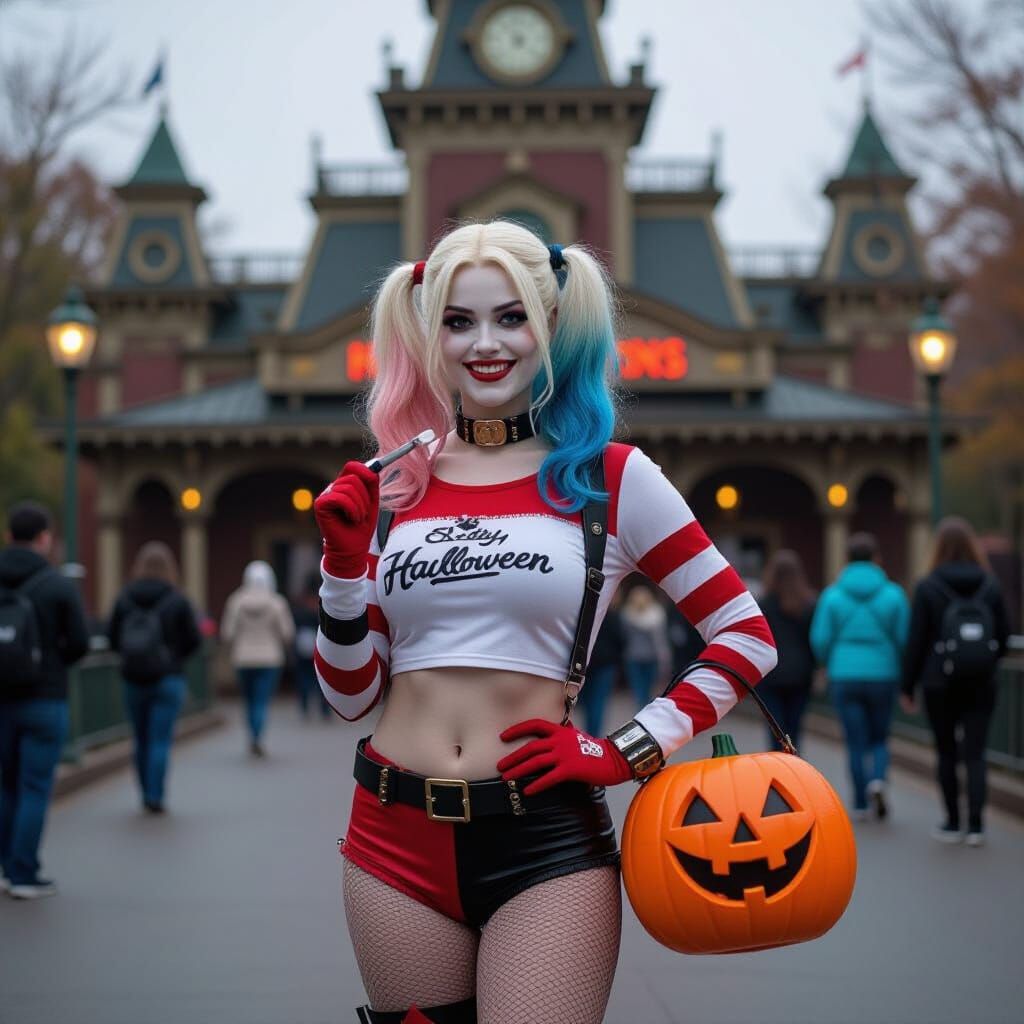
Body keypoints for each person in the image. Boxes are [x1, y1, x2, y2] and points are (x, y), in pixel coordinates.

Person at [312, 221, 777, 1024]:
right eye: (458, 321)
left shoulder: (612, 478)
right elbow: (350, 698)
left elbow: (745, 633)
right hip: (390, 838)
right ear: (429, 334)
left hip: (546, 847)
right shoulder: (398, 487)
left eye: (511, 317)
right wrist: (343, 570)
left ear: (552, 327)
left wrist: (625, 750)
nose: (484, 343)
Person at [900, 517, 1010, 846]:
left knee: (946, 751)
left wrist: (908, 686)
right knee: (976, 753)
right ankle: (976, 825)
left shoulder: (928, 586)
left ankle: (952, 821)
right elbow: (1003, 635)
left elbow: (916, 640)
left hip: (938, 682)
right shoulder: (990, 585)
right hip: (981, 680)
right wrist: (984, 661)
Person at [0, 502, 89, 899]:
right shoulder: (56, 585)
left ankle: (5, 869)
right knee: (34, 787)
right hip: (44, 697)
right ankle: (23, 873)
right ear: (45, 538)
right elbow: (80, 644)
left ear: (8, 537)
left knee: (5, 786)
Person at [811, 533, 909, 821]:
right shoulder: (893, 594)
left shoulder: (833, 595)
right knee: (879, 737)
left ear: (848, 559)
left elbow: (820, 638)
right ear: (876, 558)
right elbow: (904, 638)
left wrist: (827, 662)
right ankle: (878, 779)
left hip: (844, 674)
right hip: (883, 673)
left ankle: (859, 801)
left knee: (854, 741)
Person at [107, 542, 201, 813]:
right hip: (167, 678)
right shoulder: (177, 599)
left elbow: (113, 637)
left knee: (141, 738)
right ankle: (155, 795)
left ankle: (144, 791)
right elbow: (193, 640)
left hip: (133, 677)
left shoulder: (124, 597)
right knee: (160, 739)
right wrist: (174, 658)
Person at [220, 560, 294, 757]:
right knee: (261, 700)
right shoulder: (277, 602)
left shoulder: (236, 601)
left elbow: (227, 633)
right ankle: (257, 736)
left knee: (249, 700)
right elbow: (287, 633)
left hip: (242, 658)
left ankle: (252, 734)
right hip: (270, 659)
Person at [758, 550, 817, 751]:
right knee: (795, 728)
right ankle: (794, 769)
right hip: (801, 673)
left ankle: (776, 770)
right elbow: (814, 640)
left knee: (775, 730)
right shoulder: (808, 604)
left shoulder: (763, 604)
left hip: (771, 674)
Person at [578, 591, 624, 737]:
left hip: (584, 664)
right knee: (597, 702)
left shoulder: (581, 615)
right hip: (605, 664)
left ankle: (588, 733)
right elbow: (621, 639)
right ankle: (593, 735)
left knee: (586, 703)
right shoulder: (611, 615)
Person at [620, 582, 671, 710]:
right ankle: (644, 713)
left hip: (645, 657)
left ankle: (644, 713)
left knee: (645, 690)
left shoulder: (655, 615)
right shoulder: (628, 615)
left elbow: (660, 640)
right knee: (642, 690)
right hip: (638, 657)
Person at [293, 573, 331, 721]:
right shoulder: (322, 605)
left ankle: (305, 707)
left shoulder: (300, 608)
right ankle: (324, 709)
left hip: (303, 645)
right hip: (320, 646)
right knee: (321, 680)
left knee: (304, 678)